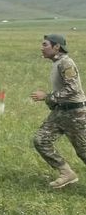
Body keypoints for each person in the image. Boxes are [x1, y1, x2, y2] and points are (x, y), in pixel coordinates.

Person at [31, 34, 86, 188]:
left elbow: (73, 89)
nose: (41, 48)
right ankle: (67, 173)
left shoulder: (66, 63)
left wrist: (47, 96)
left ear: (56, 47)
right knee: (41, 140)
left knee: (83, 152)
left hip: (75, 114)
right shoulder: (57, 63)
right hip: (60, 111)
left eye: (45, 45)